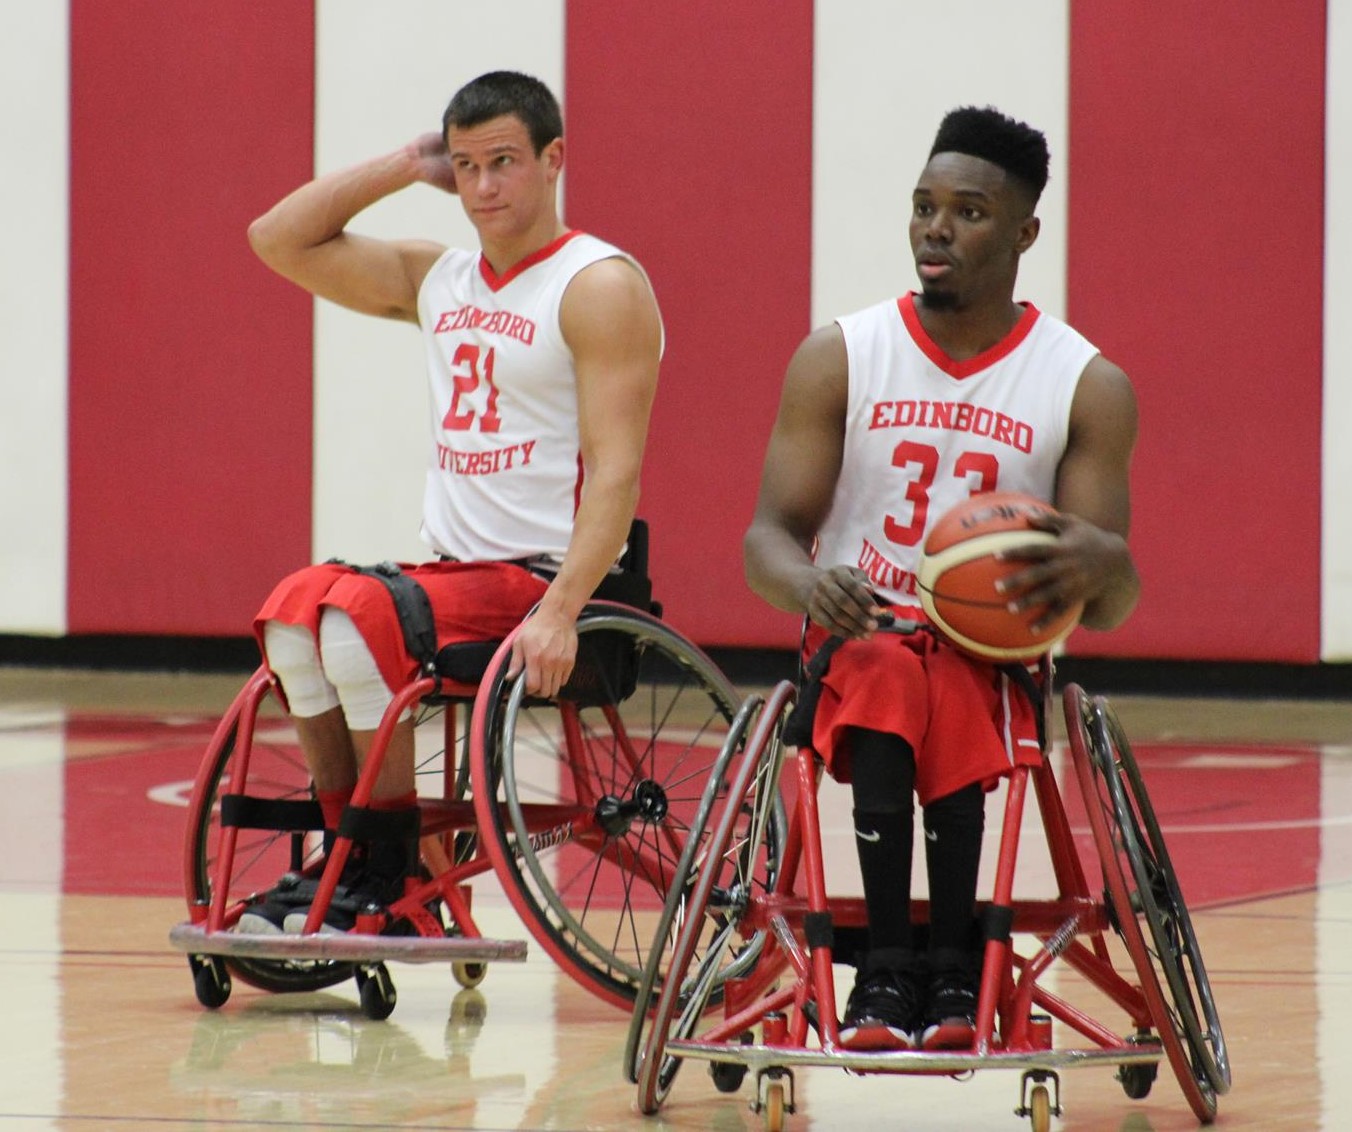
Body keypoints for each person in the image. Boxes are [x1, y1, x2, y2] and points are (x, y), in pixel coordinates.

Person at [743, 106, 1139, 1051]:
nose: (935, 229)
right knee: (890, 670)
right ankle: (889, 968)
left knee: (949, 680)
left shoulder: (1083, 383)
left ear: (1023, 233)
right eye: (924, 207)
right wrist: (808, 585)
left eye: (967, 212)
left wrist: (1107, 560)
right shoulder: (841, 354)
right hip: (857, 638)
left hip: (988, 654)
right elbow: (766, 538)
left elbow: (1110, 606)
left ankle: (955, 966)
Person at [236, 71, 663, 935]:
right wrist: (405, 164)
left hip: (544, 580)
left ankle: (387, 874)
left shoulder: (597, 285)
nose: (482, 187)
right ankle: (352, 856)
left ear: (554, 159)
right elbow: (274, 238)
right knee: (290, 614)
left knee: (353, 621)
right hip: (450, 578)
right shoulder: (439, 277)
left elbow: (617, 476)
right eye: (465, 167)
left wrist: (560, 610)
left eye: (503, 162)